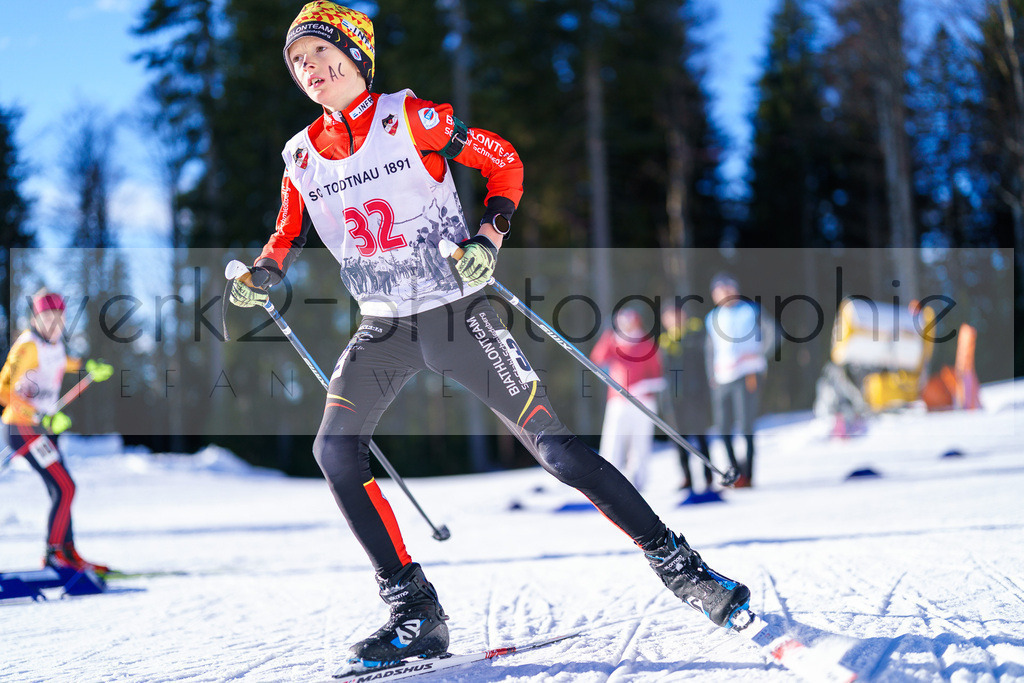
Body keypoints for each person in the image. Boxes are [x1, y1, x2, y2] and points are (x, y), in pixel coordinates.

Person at [228, 2, 750, 669]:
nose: (309, 69)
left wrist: (489, 236)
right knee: (334, 452)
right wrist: (264, 273)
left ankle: (684, 569)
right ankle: (415, 613)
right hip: (384, 326)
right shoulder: (301, 155)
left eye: (320, 53)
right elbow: (286, 232)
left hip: (457, 315)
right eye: (298, 61)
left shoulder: (410, 118)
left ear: (356, 55)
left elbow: (504, 162)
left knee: (558, 451)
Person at [0, 289, 114, 573]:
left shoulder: (54, 345)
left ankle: (68, 553)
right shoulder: (27, 347)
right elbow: (3, 390)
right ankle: (54, 555)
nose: (54, 324)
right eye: (47, 318)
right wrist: (38, 415)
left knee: (61, 488)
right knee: (65, 487)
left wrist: (87, 366)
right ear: (35, 319)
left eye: (59, 319)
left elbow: (62, 361)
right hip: (22, 427)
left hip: (42, 430)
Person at [704, 273, 773, 488]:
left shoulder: (751, 311)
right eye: (719, 291)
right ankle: (735, 471)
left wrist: (759, 354)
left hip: (747, 374)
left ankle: (748, 475)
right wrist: (711, 375)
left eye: (728, 288)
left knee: (745, 425)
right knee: (722, 427)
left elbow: (772, 334)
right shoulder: (712, 317)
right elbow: (710, 349)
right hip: (722, 378)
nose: (724, 293)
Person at [588, 308, 665, 491]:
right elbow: (597, 359)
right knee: (612, 442)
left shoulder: (646, 344)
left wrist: (642, 387)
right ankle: (607, 482)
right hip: (618, 401)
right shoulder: (613, 341)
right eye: (622, 322)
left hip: (643, 403)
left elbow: (659, 377)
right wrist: (607, 337)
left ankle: (638, 483)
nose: (626, 326)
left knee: (640, 445)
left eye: (629, 321)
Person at [659, 304, 714, 491]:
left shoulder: (695, 334)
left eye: (676, 315)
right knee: (678, 438)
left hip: (694, 393)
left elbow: (703, 361)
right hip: (673, 398)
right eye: (668, 317)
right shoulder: (665, 341)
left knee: (700, 435)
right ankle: (687, 477)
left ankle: (708, 475)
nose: (673, 320)